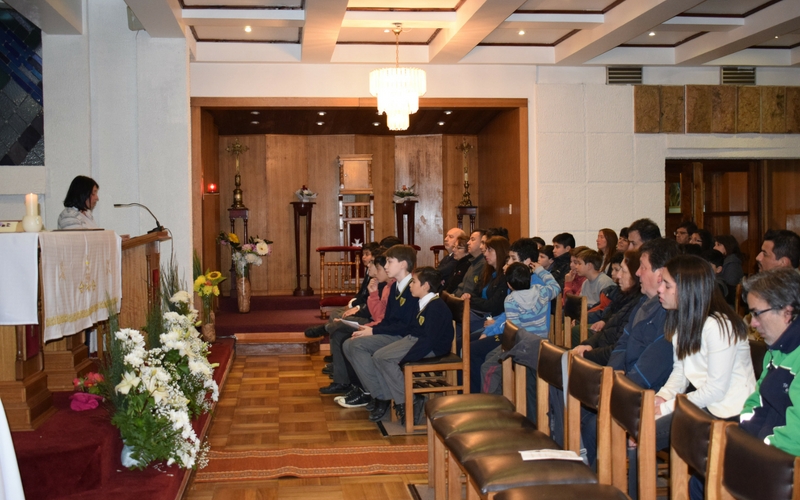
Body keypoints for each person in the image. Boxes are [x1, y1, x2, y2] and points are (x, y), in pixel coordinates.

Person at [654, 254, 754, 453]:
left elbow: (716, 389)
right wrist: (662, 397)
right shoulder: (683, 319)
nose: (659, 289)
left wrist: (665, 409)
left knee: (646, 432)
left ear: (687, 290)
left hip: (729, 412)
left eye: (667, 285)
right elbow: (681, 371)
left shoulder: (718, 326)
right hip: (707, 403)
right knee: (640, 423)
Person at [342, 245, 420, 421]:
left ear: (403, 264)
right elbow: (388, 320)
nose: (385, 267)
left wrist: (374, 331)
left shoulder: (412, 289)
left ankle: (384, 396)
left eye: (389, 262)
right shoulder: (394, 287)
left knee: (358, 346)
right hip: (393, 333)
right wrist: (371, 329)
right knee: (349, 344)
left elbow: (404, 326)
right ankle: (381, 394)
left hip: (405, 337)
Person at [370, 266, 454, 426]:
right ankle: (406, 399)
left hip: (431, 347)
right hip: (415, 340)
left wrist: (405, 357)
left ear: (426, 286)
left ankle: (408, 402)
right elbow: (414, 330)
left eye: (414, 282)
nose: (410, 285)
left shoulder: (436, 307)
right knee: (378, 356)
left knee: (385, 359)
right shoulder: (422, 301)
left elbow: (429, 340)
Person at [740, 267, 800, 454]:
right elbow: (756, 401)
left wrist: (758, 448)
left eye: (757, 313)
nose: (753, 323)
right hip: (764, 449)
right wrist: (743, 436)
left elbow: (794, 436)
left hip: (782, 461)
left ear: (786, 311)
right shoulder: (775, 349)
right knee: (703, 477)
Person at [320, 252, 391, 398]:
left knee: (349, 339)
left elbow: (383, 318)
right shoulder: (385, 284)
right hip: (376, 322)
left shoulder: (391, 286)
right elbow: (375, 310)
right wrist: (371, 296)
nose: (371, 268)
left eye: (376, 266)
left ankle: (365, 390)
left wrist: (372, 328)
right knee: (342, 334)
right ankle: (347, 383)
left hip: (381, 326)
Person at [306, 242, 381, 339]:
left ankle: (327, 330)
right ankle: (335, 351)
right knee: (336, 314)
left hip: (369, 315)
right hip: (364, 307)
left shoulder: (379, 278)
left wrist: (356, 308)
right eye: (363, 254)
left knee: (340, 318)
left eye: (367, 254)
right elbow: (362, 293)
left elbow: (371, 302)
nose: (363, 257)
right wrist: (352, 303)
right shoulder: (370, 271)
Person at [454, 229, 486, 297]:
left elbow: (472, 292)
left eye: (473, 239)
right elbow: (462, 287)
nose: (468, 242)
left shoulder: (484, 264)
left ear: (482, 243)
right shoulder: (472, 262)